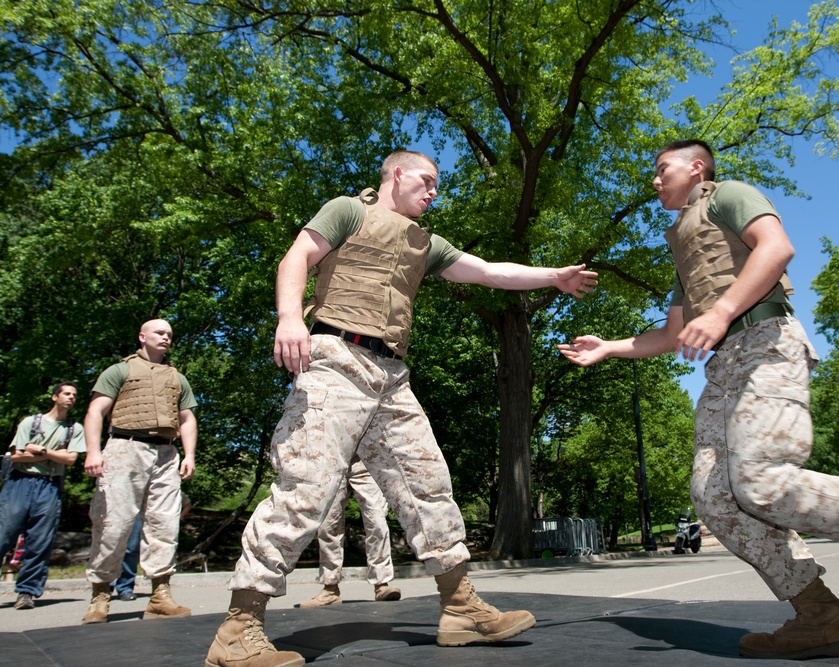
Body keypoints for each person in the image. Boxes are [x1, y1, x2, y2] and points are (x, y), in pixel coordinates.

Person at [558, 139, 839, 659]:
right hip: (725, 365)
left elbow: (775, 247)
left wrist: (720, 313)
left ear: (696, 167)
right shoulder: (685, 238)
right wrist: (608, 347)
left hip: (766, 344)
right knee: (715, 497)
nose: (654, 180)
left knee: (760, 479)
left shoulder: (728, 195)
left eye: (662, 169)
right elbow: (675, 333)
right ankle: (821, 616)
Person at [205, 150, 598, 667]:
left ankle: (460, 609)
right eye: (427, 180)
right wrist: (288, 318)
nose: (434, 190)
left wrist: (553, 276)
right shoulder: (347, 210)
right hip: (335, 359)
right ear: (396, 173)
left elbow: (486, 271)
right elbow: (296, 257)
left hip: (391, 376)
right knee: (305, 487)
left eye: (438, 184)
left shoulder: (426, 242)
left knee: (427, 483)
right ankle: (240, 627)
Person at [81, 319, 198, 624]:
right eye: (160, 332)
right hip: (125, 448)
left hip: (165, 454)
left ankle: (160, 595)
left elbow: (186, 419)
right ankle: (100, 595)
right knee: (113, 522)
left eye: (170, 334)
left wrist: (189, 455)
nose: (166, 338)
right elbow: (96, 411)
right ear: (142, 336)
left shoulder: (176, 377)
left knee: (165, 523)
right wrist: (93, 451)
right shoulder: (120, 370)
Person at [0, 382, 86, 610]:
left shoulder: (74, 428)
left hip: (50, 485)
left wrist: (41, 450)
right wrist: (55, 455)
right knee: (4, 534)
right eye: (66, 394)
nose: (71, 398)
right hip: (20, 482)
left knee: (40, 540)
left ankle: (27, 592)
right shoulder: (32, 422)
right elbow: (17, 456)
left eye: (74, 395)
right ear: (55, 397)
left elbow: (71, 460)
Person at [299, 457, 402, 607]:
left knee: (377, 521)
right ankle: (330, 589)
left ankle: (381, 584)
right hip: (331, 460)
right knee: (328, 526)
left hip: (366, 459)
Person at [113, 492, 192, 601]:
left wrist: (178, 518)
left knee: (134, 550)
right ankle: (105, 586)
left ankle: (125, 588)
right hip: (132, 509)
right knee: (117, 547)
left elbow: (187, 504)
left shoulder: (172, 487)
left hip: (154, 515)